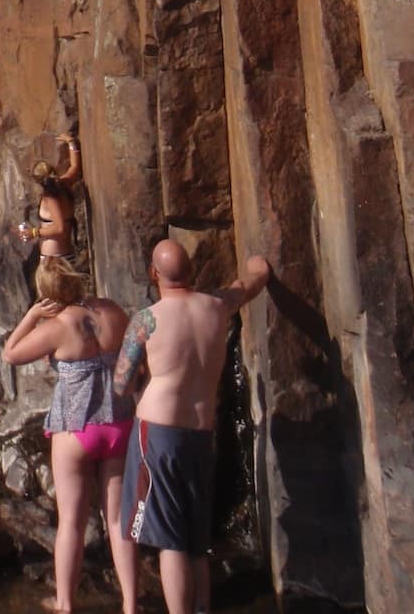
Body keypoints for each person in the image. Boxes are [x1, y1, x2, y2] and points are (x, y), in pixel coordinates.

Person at [113, 239, 272, 614]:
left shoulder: (146, 319)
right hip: (202, 434)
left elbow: (120, 384)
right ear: (192, 271)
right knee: (197, 540)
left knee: (172, 541)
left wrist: (140, 386)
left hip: (159, 434)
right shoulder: (218, 306)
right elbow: (255, 278)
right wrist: (258, 261)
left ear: (154, 274)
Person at [3, 257, 138, 614]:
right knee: (118, 519)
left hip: (76, 428)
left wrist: (32, 316)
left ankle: (65, 602)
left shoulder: (57, 326)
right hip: (119, 422)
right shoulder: (111, 311)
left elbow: (11, 353)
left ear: (47, 294)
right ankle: (131, 603)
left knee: (72, 524)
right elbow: (134, 357)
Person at [19, 134, 81, 258]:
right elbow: (75, 167)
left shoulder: (50, 199)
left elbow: (60, 228)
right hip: (65, 254)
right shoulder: (65, 184)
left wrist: (34, 232)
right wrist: (71, 142)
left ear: (38, 181)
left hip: (53, 261)